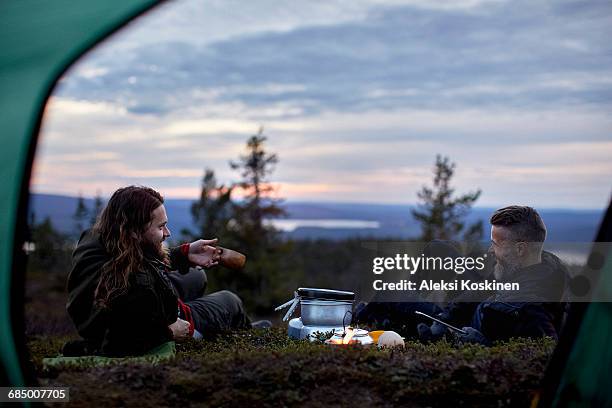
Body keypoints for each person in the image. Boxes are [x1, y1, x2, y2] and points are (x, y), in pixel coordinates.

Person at [65, 186, 255, 357]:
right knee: (230, 301)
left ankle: (205, 320)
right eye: (160, 226)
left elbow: (142, 261)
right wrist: (169, 331)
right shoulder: (139, 286)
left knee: (196, 275)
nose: (167, 233)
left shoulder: (97, 238)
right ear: (134, 231)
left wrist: (184, 255)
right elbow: (118, 341)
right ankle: (245, 334)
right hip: (151, 322)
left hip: (112, 316)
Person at [417, 205, 568, 345]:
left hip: (468, 336)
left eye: (495, 244)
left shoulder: (531, 309)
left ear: (520, 249)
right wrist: (446, 317)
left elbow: (546, 353)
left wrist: (481, 345)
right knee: (438, 249)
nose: (490, 250)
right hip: (459, 318)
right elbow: (480, 290)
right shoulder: (525, 265)